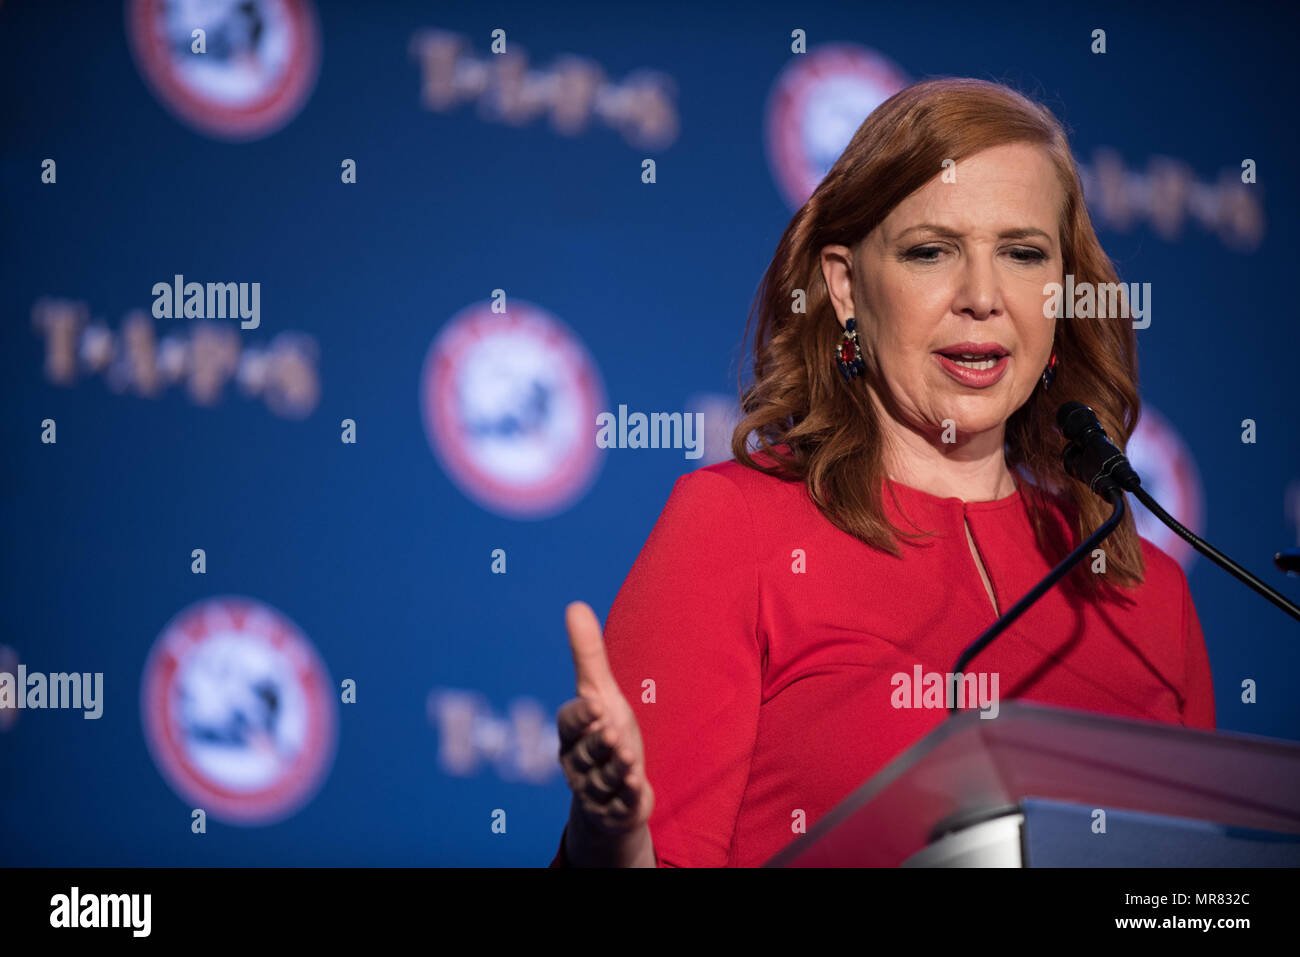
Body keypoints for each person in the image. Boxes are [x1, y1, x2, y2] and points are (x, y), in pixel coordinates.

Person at [550, 77, 1216, 868]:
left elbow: (1197, 903)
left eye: (1023, 252)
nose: (982, 297)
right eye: (931, 251)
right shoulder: (735, 528)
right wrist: (611, 840)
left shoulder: (1144, 592)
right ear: (844, 284)